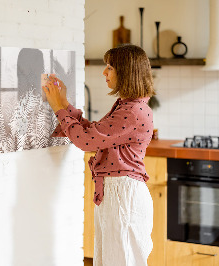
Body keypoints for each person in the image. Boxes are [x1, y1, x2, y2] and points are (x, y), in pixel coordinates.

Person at [43, 44, 155, 266]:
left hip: (123, 195)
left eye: (110, 67)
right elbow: (94, 133)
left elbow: (86, 141)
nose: (104, 72)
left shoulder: (132, 111)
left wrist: (58, 107)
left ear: (126, 72)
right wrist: (64, 104)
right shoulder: (128, 106)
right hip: (118, 193)